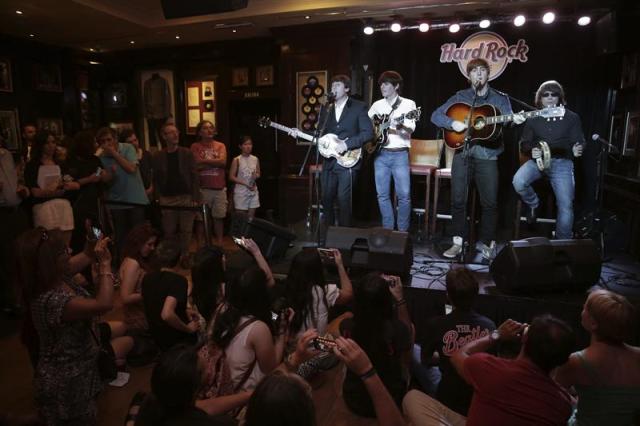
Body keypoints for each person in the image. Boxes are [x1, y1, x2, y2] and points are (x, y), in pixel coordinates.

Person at [16, 229, 133, 425]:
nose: (70, 250)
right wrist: (105, 264)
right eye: (63, 250)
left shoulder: (56, 276)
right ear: (49, 262)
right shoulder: (51, 299)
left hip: (81, 371)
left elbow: (86, 255)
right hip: (65, 381)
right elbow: (103, 304)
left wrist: (91, 242)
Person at [431, 58, 526, 260]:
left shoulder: (500, 98)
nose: (479, 74)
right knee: (458, 200)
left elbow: (508, 120)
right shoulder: (460, 96)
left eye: (482, 70)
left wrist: (514, 121)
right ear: (469, 76)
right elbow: (435, 115)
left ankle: (487, 244)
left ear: (488, 74)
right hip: (463, 153)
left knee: (490, 202)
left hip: (488, 155)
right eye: (474, 71)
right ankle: (458, 242)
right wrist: (452, 123)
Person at [403, 315, 574, 426]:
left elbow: (458, 355)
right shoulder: (564, 404)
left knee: (412, 397)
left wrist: (496, 334)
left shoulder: (490, 368)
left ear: (525, 339)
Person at [417, 268, 495, 416]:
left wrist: (445, 357)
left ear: (448, 296)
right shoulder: (490, 326)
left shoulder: (434, 324)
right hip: (476, 398)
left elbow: (426, 359)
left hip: (446, 398)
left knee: (415, 350)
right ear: (476, 295)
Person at [554, 290, 640, 425]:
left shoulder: (577, 361)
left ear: (593, 324)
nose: (582, 310)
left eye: (585, 307)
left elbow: (553, 397)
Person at [512, 80, 584, 239]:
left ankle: (562, 244)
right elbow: (524, 143)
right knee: (518, 181)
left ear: (560, 98)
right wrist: (532, 150)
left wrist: (577, 149)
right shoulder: (533, 118)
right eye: (546, 95)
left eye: (554, 94)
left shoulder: (572, 117)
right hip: (537, 162)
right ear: (540, 98)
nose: (550, 98)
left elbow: (579, 141)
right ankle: (533, 204)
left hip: (562, 163)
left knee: (566, 205)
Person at [340, 272, 414, 417]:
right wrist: (399, 299)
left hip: (354, 400)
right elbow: (407, 336)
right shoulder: (396, 330)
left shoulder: (346, 326)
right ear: (386, 301)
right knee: (411, 335)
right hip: (391, 400)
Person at [307, 74, 373, 228]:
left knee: (344, 200)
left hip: (348, 160)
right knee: (326, 198)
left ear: (347, 89)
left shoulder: (358, 107)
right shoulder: (326, 108)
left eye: (337, 85)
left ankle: (344, 240)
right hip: (329, 161)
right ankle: (327, 237)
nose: (333, 88)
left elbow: (367, 133)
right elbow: (321, 134)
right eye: (332, 86)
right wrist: (300, 133)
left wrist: (347, 144)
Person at [135, 344, 237, 426]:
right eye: (204, 369)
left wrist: (247, 395)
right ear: (193, 388)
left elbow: (204, 406)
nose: (210, 370)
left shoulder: (149, 401)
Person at [368, 71, 417, 232]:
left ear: (396, 86)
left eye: (387, 83)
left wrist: (399, 125)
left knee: (404, 196)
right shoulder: (377, 105)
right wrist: (374, 134)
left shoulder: (408, 104)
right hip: (380, 154)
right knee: (382, 195)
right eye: (381, 84)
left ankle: (402, 232)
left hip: (399, 154)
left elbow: (410, 129)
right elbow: (369, 126)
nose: (382, 86)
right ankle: (388, 230)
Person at [97, 127, 149, 258]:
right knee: (121, 237)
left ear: (115, 139)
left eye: (109, 139)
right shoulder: (100, 158)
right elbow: (103, 180)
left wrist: (115, 154)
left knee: (138, 235)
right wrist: (109, 175)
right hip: (116, 202)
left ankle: (140, 264)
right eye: (103, 141)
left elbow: (131, 168)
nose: (107, 144)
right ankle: (123, 266)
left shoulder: (127, 148)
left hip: (135, 200)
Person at [153, 123, 199, 265]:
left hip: (185, 196)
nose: (175, 135)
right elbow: (156, 178)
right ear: (164, 136)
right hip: (167, 197)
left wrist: (195, 197)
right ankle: (171, 257)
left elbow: (194, 175)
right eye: (171, 132)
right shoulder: (158, 156)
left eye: (176, 132)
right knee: (169, 231)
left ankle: (185, 255)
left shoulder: (186, 153)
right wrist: (157, 197)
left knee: (186, 230)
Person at [141, 240, 199, 351]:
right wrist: (188, 329)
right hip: (176, 341)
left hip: (156, 336)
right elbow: (166, 314)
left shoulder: (148, 277)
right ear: (180, 258)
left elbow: (156, 301)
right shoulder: (178, 281)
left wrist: (183, 310)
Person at [24, 130, 79, 243]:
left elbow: (74, 183)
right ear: (40, 145)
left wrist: (68, 185)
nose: (51, 146)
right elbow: (35, 192)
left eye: (53, 142)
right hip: (44, 207)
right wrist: (53, 191)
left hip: (63, 205)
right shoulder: (33, 165)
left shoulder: (61, 164)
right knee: (48, 244)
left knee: (65, 244)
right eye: (47, 143)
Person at [66, 130, 108, 254]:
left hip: (95, 203)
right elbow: (70, 182)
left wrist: (102, 174)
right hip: (79, 204)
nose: (97, 144)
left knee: (97, 232)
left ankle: (99, 257)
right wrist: (90, 179)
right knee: (81, 234)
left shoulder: (95, 159)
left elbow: (100, 172)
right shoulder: (71, 162)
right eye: (94, 142)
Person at [191, 120, 227, 247]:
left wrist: (204, 162)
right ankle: (201, 246)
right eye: (206, 128)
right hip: (203, 188)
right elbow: (195, 164)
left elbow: (223, 162)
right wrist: (213, 161)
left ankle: (220, 245)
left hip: (219, 188)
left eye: (211, 128)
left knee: (219, 218)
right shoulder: (195, 146)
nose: (209, 130)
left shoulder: (220, 145)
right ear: (200, 132)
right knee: (200, 219)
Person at [120, 222, 159, 334]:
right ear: (138, 243)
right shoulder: (133, 264)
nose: (153, 248)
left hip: (143, 314)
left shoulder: (136, 259)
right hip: (139, 320)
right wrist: (152, 292)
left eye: (154, 244)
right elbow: (125, 297)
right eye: (149, 244)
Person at [229, 135, 261, 219]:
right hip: (241, 191)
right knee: (241, 219)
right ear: (240, 146)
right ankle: (241, 233)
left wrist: (255, 176)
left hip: (253, 190)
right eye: (245, 144)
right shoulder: (237, 160)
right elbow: (231, 176)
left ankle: (248, 232)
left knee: (250, 219)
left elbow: (258, 173)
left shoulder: (255, 159)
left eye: (250, 144)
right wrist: (245, 183)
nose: (248, 146)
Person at [121, 129, 154, 198]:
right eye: (130, 142)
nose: (134, 143)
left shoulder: (146, 154)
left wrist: (151, 188)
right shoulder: (123, 158)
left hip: (148, 193)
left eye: (135, 140)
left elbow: (152, 172)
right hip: (133, 194)